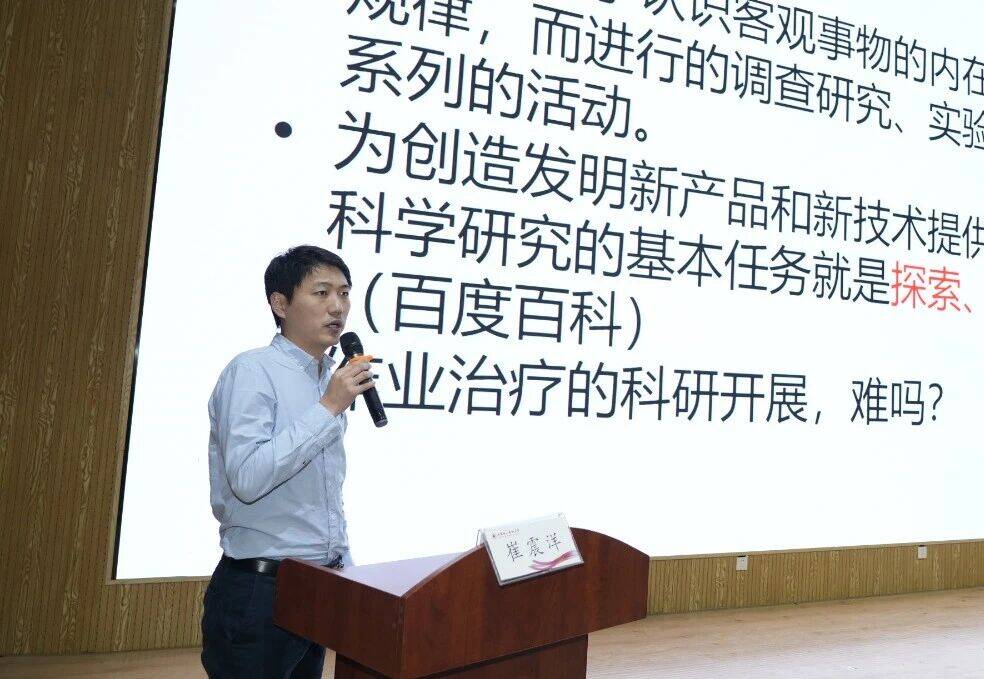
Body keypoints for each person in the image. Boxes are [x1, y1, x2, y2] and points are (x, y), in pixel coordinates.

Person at [200, 245, 375, 678]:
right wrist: (328, 408)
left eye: (344, 293)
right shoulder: (252, 371)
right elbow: (247, 478)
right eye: (321, 292)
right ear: (280, 304)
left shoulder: (327, 377)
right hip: (259, 592)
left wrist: (346, 569)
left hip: (316, 588)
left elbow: (322, 497)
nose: (338, 307)